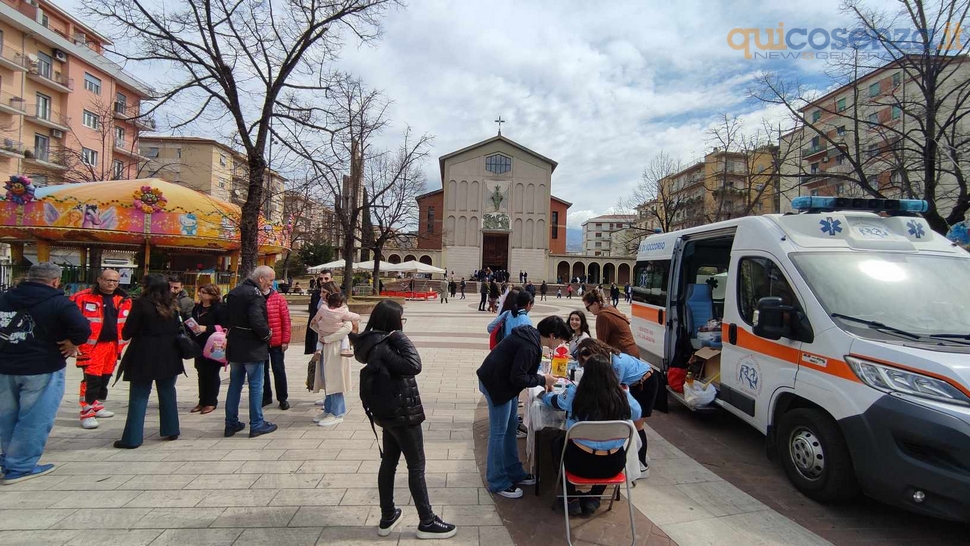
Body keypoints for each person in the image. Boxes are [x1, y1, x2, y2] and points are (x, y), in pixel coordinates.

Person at [350, 301, 458, 539]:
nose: (402, 323)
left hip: (387, 413)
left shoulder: (369, 342)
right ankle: (426, 522)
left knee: (389, 462)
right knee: (416, 466)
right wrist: (399, 336)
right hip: (402, 413)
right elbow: (413, 365)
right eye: (400, 320)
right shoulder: (385, 344)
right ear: (391, 323)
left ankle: (387, 515)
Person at [0, 263, 90, 484]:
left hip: (5, 366)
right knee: (34, 418)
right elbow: (83, 328)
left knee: (6, 416)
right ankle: (20, 466)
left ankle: (7, 458)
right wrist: (72, 343)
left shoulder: (5, 297)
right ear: (55, 281)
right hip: (42, 366)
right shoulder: (58, 302)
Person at [476, 316, 572, 498]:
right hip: (497, 385)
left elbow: (521, 371)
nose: (561, 344)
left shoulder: (531, 338)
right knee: (499, 433)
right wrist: (543, 379)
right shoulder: (529, 345)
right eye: (560, 340)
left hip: (505, 385)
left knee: (511, 427)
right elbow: (518, 377)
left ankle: (514, 471)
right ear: (552, 335)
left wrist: (542, 379)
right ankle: (497, 481)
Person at [540, 354, 641, 515]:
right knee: (616, 448)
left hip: (579, 463)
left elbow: (557, 402)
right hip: (613, 464)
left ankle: (571, 497)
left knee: (557, 443)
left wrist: (545, 395)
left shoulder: (576, 393)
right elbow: (637, 413)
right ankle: (595, 497)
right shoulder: (622, 395)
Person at [113, 274, 185, 449]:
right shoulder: (173, 305)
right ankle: (171, 429)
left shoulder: (141, 305)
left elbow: (127, 332)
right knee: (168, 392)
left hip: (143, 354)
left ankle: (132, 438)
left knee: (139, 395)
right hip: (169, 354)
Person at [576, 339, 658, 476]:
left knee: (638, 425)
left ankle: (642, 463)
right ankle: (638, 455)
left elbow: (610, 389)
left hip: (645, 382)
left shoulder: (616, 364)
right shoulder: (607, 361)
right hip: (632, 383)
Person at [71, 268, 132, 429]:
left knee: (105, 377)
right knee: (91, 379)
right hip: (91, 346)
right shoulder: (82, 297)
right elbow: (68, 319)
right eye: (108, 280)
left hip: (113, 345)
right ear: (99, 279)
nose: (111, 283)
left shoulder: (124, 299)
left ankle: (95, 404)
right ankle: (87, 411)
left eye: (115, 281)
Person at [224, 266, 277, 438]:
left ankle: (231, 423)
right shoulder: (255, 295)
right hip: (252, 347)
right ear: (261, 278)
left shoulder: (235, 292)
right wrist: (267, 334)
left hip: (235, 345)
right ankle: (257, 423)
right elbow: (257, 320)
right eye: (270, 280)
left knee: (235, 384)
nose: (271, 284)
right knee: (255, 385)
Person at [311, 281, 355, 427]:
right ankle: (329, 409)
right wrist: (321, 332)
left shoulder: (342, 308)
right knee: (327, 378)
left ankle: (338, 412)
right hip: (325, 346)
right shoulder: (323, 308)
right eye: (321, 292)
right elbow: (315, 324)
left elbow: (347, 328)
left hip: (336, 348)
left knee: (335, 380)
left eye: (324, 292)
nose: (321, 294)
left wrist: (327, 338)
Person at [583, 290, 639, 358]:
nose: (588, 311)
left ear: (595, 304)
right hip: (632, 353)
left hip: (625, 356)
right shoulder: (609, 308)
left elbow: (601, 344)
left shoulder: (602, 315)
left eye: (587, 308)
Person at [262, 286, 291, 410]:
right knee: (262, 371)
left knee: (278, 369)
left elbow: (286, 320)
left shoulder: (279, 299)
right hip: (261, 341)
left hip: (277, 341)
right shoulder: (254, 297)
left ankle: (282, 398)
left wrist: (285, 340)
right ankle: (266, 396)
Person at [310, 291, 359, 358]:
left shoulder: (323, 308)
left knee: (319, 340)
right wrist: (358, 317)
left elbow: (317, 317)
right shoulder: (342, 311)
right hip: (336, 330)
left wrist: (316, 321)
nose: (321, 295)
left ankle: (318, 350)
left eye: (324, 292)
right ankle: (344, 349)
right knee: (345, 337)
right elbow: (351, 317)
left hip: (324, 331)